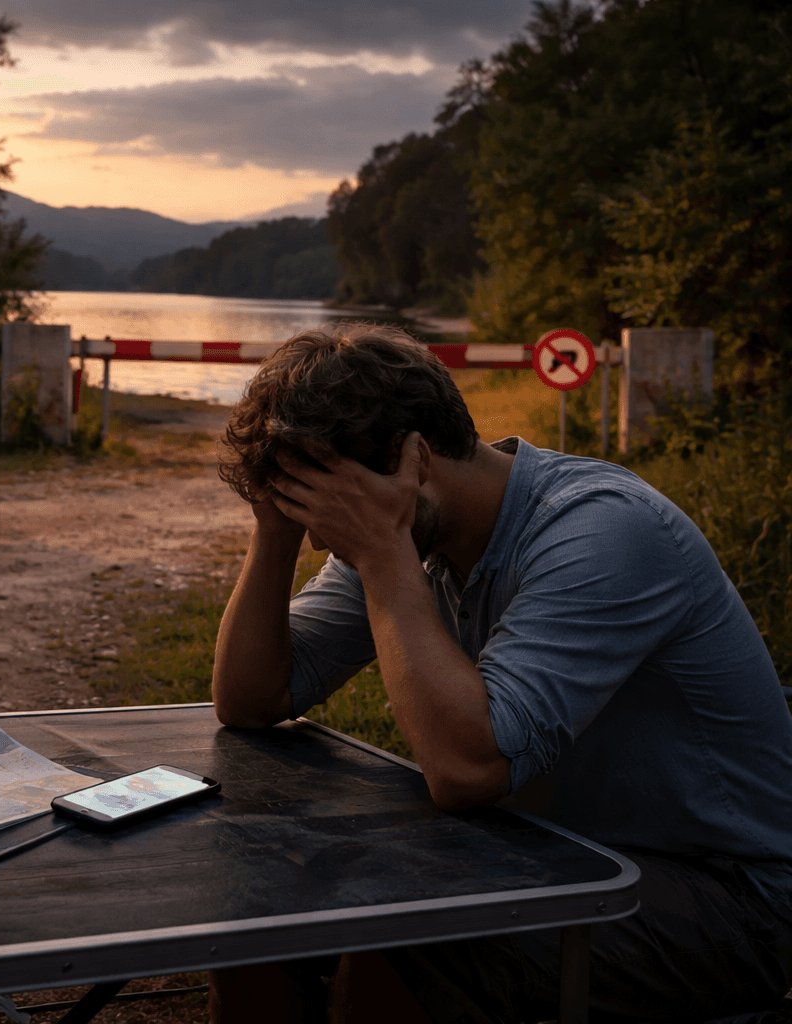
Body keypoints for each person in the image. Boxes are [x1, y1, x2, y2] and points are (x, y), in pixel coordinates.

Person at [208, 324, 792, 1023]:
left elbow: (466, 769)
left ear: (413, 460)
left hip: (729, 898)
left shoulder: (600, 532)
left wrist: (385, 555)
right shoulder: (404, 528)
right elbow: (250, 698)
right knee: (264, 904)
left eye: (324, 507)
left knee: (412, 940)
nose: (319, 537)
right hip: (551, 851)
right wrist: (273, 530)